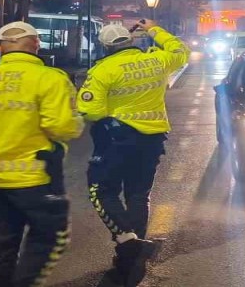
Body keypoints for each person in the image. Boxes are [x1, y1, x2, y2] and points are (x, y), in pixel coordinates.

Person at [0, 21, 84, 287]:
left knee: (3, 242)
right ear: (36, 45)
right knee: (52, 237)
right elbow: (62, 127)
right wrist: (77, 121)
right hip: (35, 179)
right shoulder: (51, 79)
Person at [78, 19, 189, 287]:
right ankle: (132, 259)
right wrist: (154, 28)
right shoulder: (157, 60)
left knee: (101, 191)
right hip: (153, 138)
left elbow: (91, 111)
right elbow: (181, 51)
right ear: (131, 41)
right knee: (138, 194)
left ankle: (128, 242)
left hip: (118, 140)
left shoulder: (103, 70)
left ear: (105, 46)